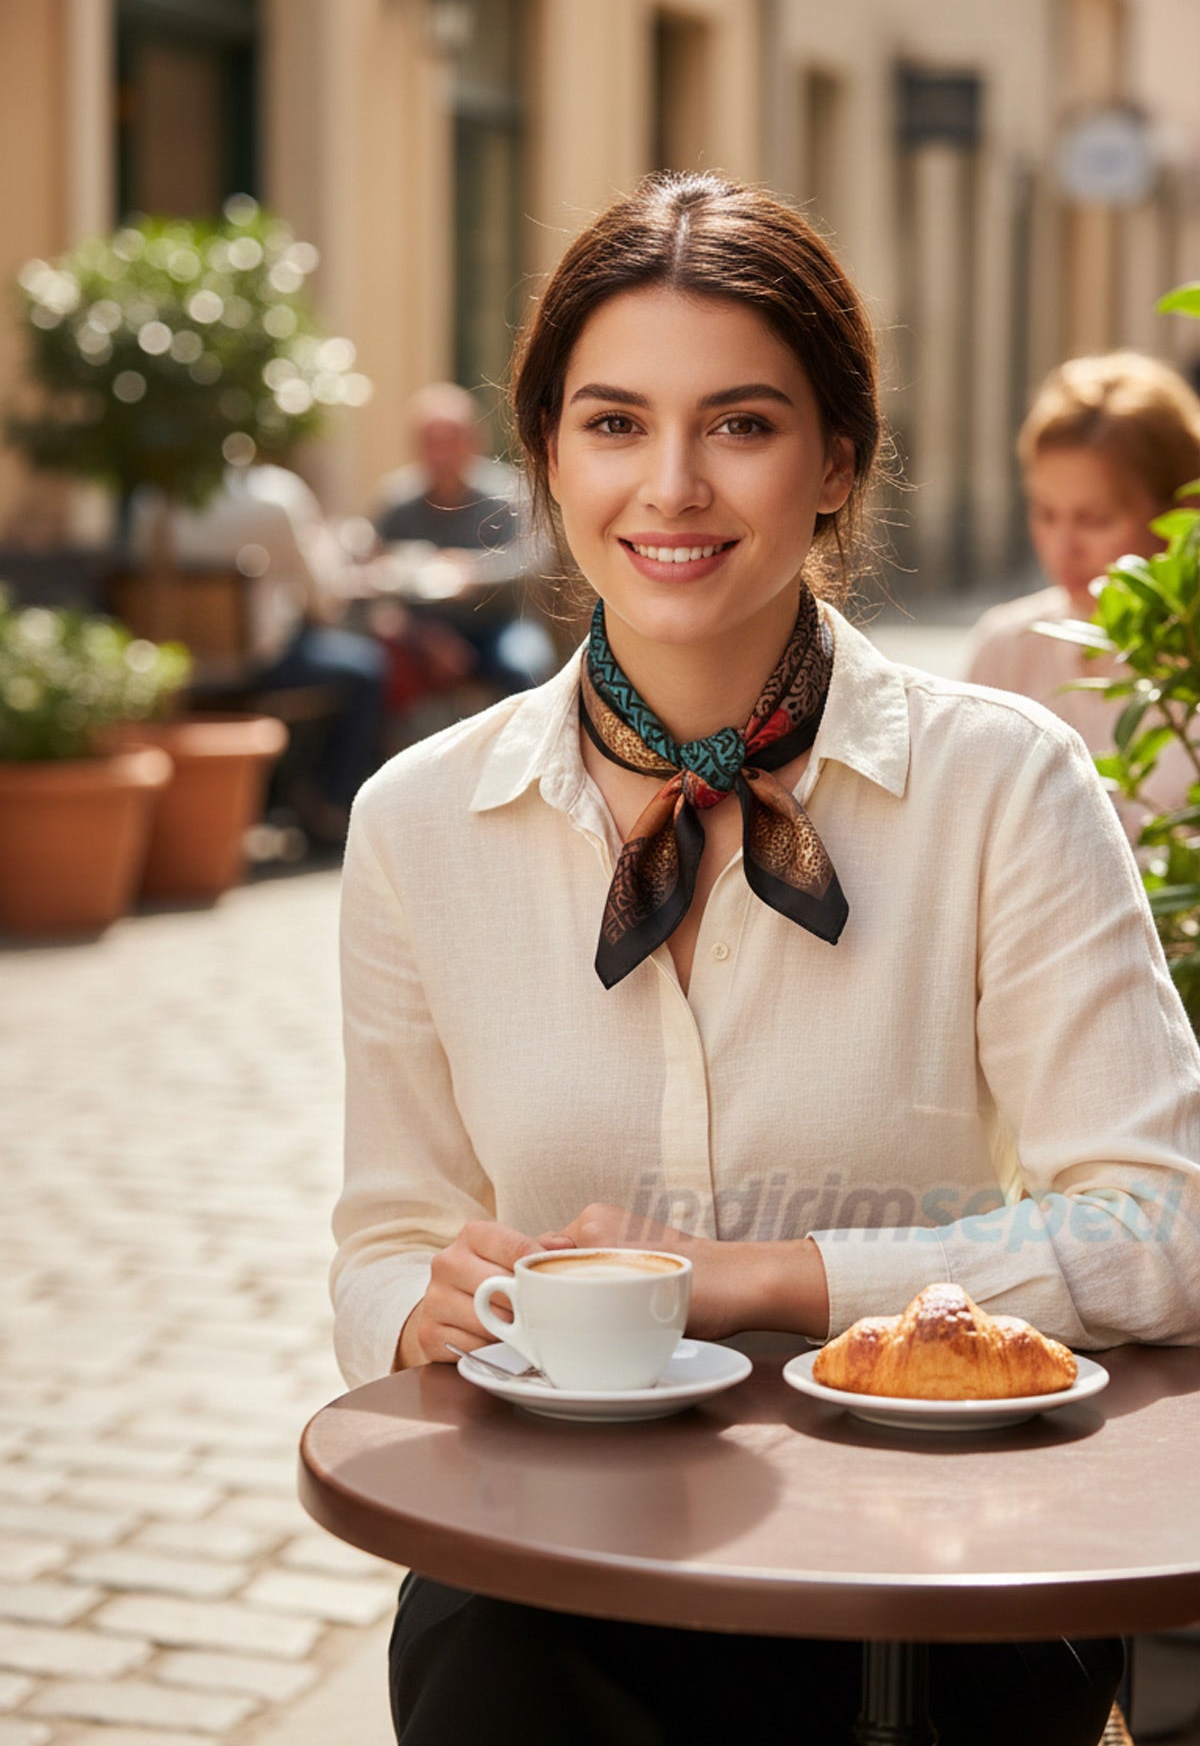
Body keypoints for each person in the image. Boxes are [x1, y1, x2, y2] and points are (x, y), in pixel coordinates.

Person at [332, 175, 1200, 1745]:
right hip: (549, 1570)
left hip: (943, 1561)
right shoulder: (416, 822)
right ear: (548, 457)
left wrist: (767, 1280)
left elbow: (1168, 1222)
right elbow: (387, 1237)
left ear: (838, 461)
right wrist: (420, 1307)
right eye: (613, 423)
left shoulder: (1005, 784)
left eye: (739, 424)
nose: (671, 486)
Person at [964, 351, 1200, 837]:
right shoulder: (1007, 650)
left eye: (1095, 520)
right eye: (1045, 514)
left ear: (1183, 511)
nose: (1062, 547)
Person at [134, 463, 387, 843]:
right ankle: (331, 801)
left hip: (180, 663)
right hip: (262, 665)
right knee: (367, 668)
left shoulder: (150, 501)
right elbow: (323, 602)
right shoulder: (274, 497)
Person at [371, 383, 556, 696]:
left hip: (499, 624)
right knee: (366, 668)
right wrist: (424, 637)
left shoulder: (508, 496)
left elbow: (536, 563)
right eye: (430, 443)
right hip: (420, 631)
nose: (441, 455)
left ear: (474, 442)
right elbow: (373, 577)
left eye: (450, 441)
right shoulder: (397, 503)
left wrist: (472, 573)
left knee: (525, 665)